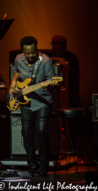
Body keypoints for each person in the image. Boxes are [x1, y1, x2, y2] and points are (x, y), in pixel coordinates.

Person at [9, 36, 55, 176]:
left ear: (37, 49)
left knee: (41, 131)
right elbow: (17, 74)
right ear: (23, 51)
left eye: (33, 52)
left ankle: (44, 165)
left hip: (42, 102)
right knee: (27, 132)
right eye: (27, 53)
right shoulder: (18, 59)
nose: (30, 55)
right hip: (25, 101)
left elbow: (52, 80)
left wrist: (50, 84)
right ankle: (32, 165)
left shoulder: (45, 61)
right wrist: (12, 87)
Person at [50, 35, 80, 107]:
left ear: (63, 44)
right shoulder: (50, 58)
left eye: (56, 43)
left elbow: (74, 79)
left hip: (69, 94)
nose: (53, 45)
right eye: (52, 43)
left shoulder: (71, 58)